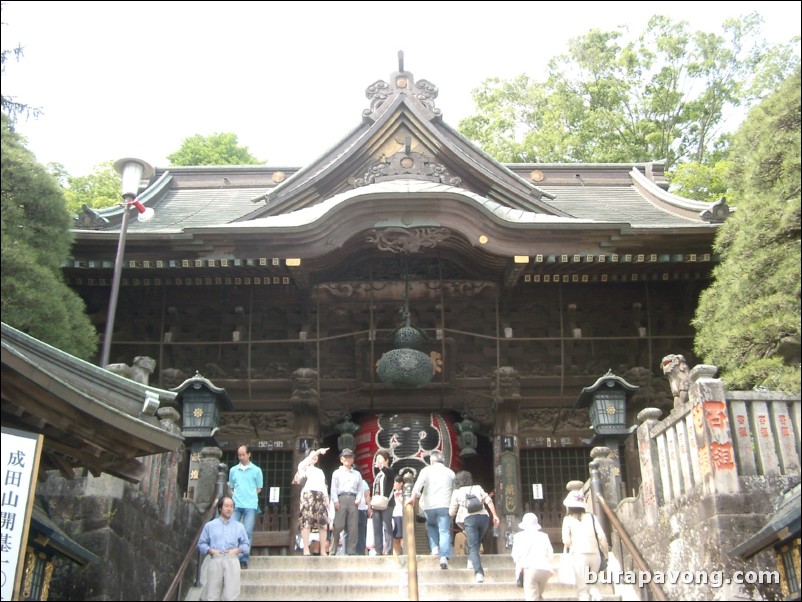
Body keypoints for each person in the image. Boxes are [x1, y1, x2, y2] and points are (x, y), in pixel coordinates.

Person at [449, 469, 500, 583]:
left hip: (469, 519)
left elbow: (451, 512)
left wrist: (454, 513)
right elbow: (489, 501)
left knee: (473, 546)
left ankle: (478, 573)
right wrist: (495, 515)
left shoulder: (457, 492)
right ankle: (471, 560)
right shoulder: (477, 488)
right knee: (476, 542)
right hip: (484, 518)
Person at [408, 450, 455, 569]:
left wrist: (412, 498)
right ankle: (444, 556)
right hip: (445, 505)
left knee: (431, 526)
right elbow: (455, 491)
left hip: (429, 506)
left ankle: (434, 549)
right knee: (444, 531)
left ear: (431, 460)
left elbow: (418, 485)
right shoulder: (450, 473)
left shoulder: (426, 470)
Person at [197, 496, 250, 601]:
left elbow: (246, 545)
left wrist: (237, 550)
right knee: (212, 595)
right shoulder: (210, 525)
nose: (229, 509)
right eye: (226, 506)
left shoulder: (239, 526)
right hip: (216, 559)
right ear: (220, 508)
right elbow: (201, 544)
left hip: (232, 560)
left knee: (231, 596)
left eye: (231, 506)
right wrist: (211, 550)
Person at [561, 491, 609, 602]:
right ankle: (597, 597)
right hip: (595, 555)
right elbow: (601, 536)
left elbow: (566, 540)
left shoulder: (568, 520)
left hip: (579, 555)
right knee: (592, 583)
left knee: (582, 589)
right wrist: (606, 554)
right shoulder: (592, 517)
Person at [228, 444, 263, 569]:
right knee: (232, 530)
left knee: (247, 531)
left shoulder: (256, 470)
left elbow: (259, 487)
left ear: (249, 454)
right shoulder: (233, 470)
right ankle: (231, 555)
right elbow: (231, 486)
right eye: (239, 455)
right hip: (236, 503)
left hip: (250, 504)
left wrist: (250, 495)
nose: (241, 457)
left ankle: (244, 558)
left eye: (243, 454)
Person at [296, 446, 330, 556]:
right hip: (308, 495)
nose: (315, 457)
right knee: (306, 521)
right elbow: (304, 463)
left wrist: (327, 498)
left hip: (320, 496)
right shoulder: (303, 467)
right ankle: (306, 548)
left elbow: (323, 486)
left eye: (316, 456)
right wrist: (318, 451)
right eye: (312, 455)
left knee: (322, 523)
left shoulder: (320, 471)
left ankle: (323, 550)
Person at [512, 512, 554, 601]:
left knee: (531, 597)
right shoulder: (544, 536)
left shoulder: (518, 536)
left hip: (529, 569)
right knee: (538, 595)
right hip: (545, 570)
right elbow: (551, 555)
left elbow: (515, 556)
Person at [329, 448, 363, 555]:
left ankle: (351, 551)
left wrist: (358, 498)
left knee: (353, 526)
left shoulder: (357, 474)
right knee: (338, 525)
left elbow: (360, 488)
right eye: (346, 457)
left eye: (350, 457)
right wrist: (335, 501)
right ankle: (333, 550)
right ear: (341, 459)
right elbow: (333, 488)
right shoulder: (336, 473)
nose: (348, 459)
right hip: (341, 498)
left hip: (353, 499)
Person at [370, 450, 395, 556]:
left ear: (386, 460)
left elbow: (390, 474)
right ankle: (378, 549)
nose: (378, 461)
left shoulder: (390, 471)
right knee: (376, 527)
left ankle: (388, 549)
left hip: (387, 503)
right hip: (376, 503)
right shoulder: (378, 474)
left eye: (380, 459)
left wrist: (382, 467)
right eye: (377, 459)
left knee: (386, 527)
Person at [356, 473, 371, 555]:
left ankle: (361, 552)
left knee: (362, 531)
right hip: (351, 508)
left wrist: (369, 507)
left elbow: (367, 495)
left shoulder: (363, 482)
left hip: (361, 508)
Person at [391, 474, 405, 556]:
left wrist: (399, 497)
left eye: (395, 483)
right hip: (393, 515)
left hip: (401, 515)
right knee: (395, 538)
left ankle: (404, 554)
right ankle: (395, 555)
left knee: (402, 537)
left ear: (401, 484)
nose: (394, 484)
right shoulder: (392, 493)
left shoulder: (403, 493)